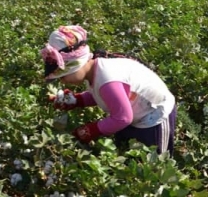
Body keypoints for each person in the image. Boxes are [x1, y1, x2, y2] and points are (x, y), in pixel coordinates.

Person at [40, 25, 176, 156]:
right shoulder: (95, 71)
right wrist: (78, 100)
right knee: (126, 152)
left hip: (154, 115)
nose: (63, 81)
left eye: (63, 75)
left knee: (152, 162)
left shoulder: (107, 80)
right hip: (133, 111)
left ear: (77, 64)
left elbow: (123, 118)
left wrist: (91, 130)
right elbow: (102, 95)